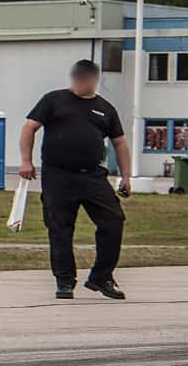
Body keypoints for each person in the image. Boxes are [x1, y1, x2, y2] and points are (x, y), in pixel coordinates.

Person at [20, 58, 131, 300]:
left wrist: (125, 176)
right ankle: (64, 281)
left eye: (84, 78)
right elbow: (29, 128)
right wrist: (26, 161)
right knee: (59, 228)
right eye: (76, 78)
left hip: (92, 175)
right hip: (58, 175)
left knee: (113, 221)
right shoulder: (54, 100)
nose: (79, 82)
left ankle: (101, 277)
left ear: (94, 80)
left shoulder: (105, 108)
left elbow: (119, 142)